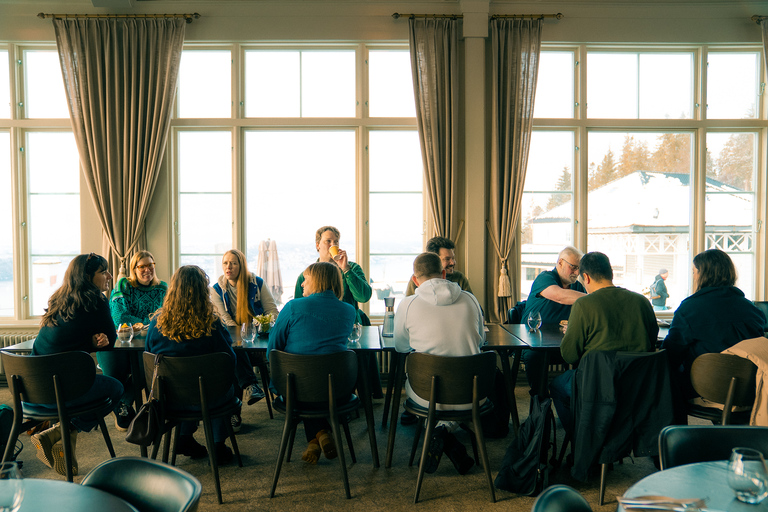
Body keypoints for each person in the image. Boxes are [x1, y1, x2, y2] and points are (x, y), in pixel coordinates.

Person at [30, 253, 124, 476]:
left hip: (32, 390)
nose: (109, 276)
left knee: (88, 381)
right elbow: (110, 341)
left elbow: (65, 340)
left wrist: (87, 341)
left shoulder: (58, 298)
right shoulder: (96, 300)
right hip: (60, 392)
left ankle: (64, 436)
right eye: (103, 272)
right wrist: (94, 341)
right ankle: (63, 431)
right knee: (116, 388)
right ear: (87, 277)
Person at [394, 252, 484, 475]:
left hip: (428, 394)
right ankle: (447, 437)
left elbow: (401, 347)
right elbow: (481, 340)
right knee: (436, 393)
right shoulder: (470, 299)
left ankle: (440, 432)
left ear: (415, 279)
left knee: (423, 387)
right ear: (444, 274)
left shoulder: (407, 304)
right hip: (472, 393)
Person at [549, 252, 658, 433]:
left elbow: (569, 355)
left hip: (597, 387)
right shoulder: (642, 302)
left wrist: (573, 332)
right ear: (611, 273)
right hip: (638, 386)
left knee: (557, 386)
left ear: (586, 277)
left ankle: (583, 440)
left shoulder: (584, 305)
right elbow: (651, 342)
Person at [145, 265, 238, 465]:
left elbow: (150, 360)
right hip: (209, 397)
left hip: (170, 398)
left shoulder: (156, 324)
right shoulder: (212, 324)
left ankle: (183, 438)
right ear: (203, 292)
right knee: (220, 385)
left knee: (185, 385)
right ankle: (217, 444)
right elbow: (229, 362)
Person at [269, 261, 356, 464]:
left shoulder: (292, 307)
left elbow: (273, 348)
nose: (301, 285)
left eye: (305, 279)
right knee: (315, 384)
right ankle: (320, 436)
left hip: (295, 387)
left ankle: (318, 436)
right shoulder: (348, 311)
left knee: (302, 385)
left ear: (317, 280)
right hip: (337, 388)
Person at [661, 249, 765, 400]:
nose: (694, 276)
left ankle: (672, 423)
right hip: (750, 389)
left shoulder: (690, 308)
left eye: (694, 272)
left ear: (703, 274)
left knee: (666, 370)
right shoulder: (752, 309)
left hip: (703, 388)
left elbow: (671, 354)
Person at [210, 249, 275, 429]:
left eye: (233, 263)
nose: (228, 267)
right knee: (234, 354)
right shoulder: (216, 289)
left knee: (233, 357)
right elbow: (226, 320)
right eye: (225, 263)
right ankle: (251, 385)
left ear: (242, 265)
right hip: (233, 340)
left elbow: (272, 311)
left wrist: (261, 326)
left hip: (256, 341)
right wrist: (241, 336)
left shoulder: (257, 283)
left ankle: (234, 414)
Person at [105, 250, 167, 431]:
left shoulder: (162, 288)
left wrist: (142, 324)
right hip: (121, 342)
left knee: (147, 369)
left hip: (149, 342)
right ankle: (122, 405)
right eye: (142, 266)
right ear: (134, 269)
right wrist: (148, 322)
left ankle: (123, 404)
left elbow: (164, 317)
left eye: (150, 265)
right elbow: (119, 317)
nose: (147, 270)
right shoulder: (124, 284)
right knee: (117, 371)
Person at [521, 247, 587, 395]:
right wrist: (594, 298)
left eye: (579, 269)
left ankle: (578, 398)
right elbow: (559, 296)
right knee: (534, 356)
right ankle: (540, 406)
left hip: (562, 343)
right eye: (573, 267)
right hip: (534, 342)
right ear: (560, 263)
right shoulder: (545, 278)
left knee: (587, 353)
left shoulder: (577, 286)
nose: (577, 273)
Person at [293, 226, 372, 325]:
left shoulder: (352, 268)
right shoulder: (306, 276)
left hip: (348, 328)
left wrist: (346, 269)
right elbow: (298, 309)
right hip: (319, 328)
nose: (333, 245)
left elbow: (364, 297)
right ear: (318, 245)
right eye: (328, 241)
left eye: (336, 242)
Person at [405, 236, 473, 296]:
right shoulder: (418, 278)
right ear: (434, 261)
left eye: (453, 258)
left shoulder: (459, 278)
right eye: (447, 259)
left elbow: (474, 306)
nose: (452, 263)